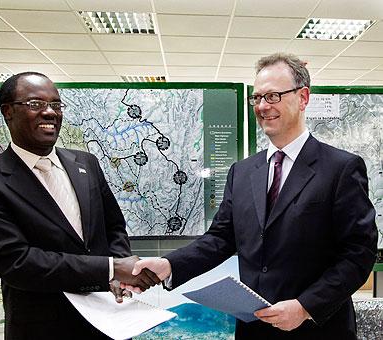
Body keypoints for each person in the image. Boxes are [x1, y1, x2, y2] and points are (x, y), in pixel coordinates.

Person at [126, 53, 378, 339]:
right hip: (254, 329)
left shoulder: (340, 168)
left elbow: (359, 254)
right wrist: (169, 265)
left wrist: (305, 306)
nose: (261, 106)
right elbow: (220, 239)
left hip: (317, 328)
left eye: (272, 96)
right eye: (256, 98)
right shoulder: (243, 172)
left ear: (303, 98)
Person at [0, 72, 159, 340]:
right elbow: (17, 262)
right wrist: (111, 268)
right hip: (43, 327)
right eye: (35, 104)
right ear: (7, 112)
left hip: (110, 323)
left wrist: (118, 273)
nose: (49, 112)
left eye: (56, 105)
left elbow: (113, 226)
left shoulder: (86, 164)